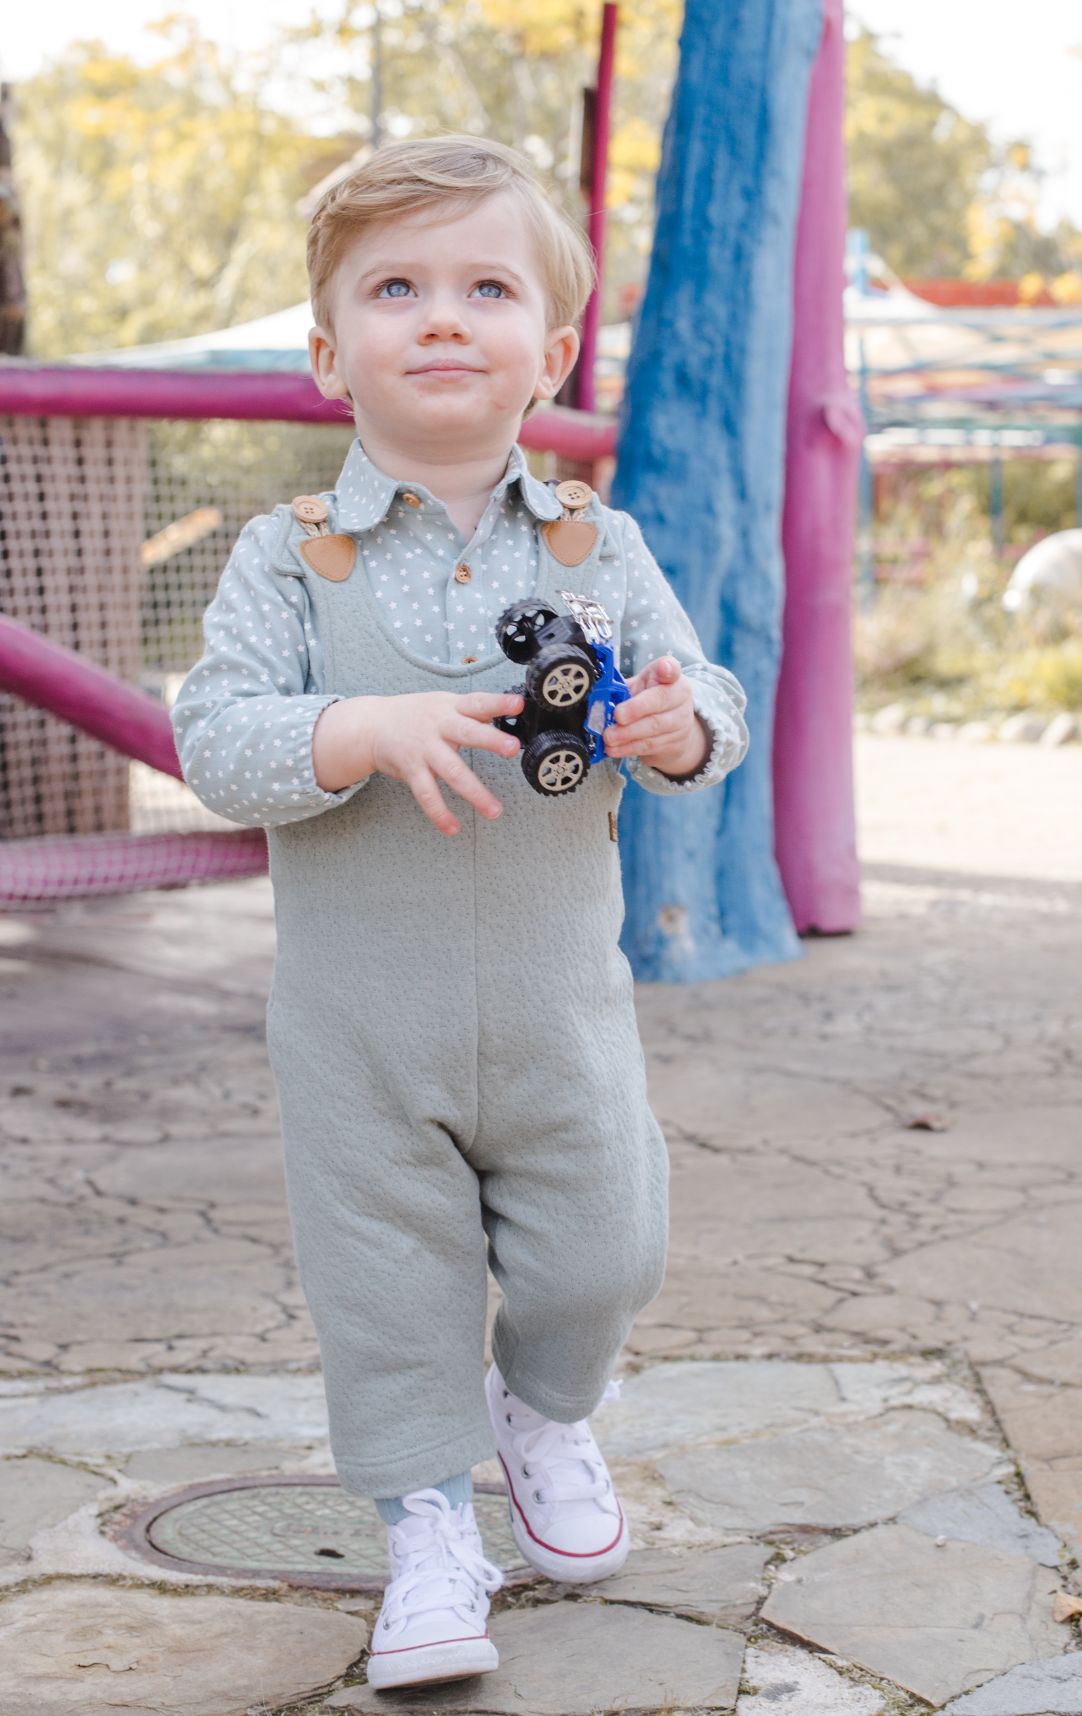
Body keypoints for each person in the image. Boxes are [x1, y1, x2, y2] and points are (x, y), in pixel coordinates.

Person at [171, 134, 747, 1691]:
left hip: (563, 1011)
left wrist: (676, 726)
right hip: (364, 1027)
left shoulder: (599, 546)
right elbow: (211, 736)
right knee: (389, 1286)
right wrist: (356, 730)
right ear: (326, 351)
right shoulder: (289, 561)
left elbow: (717, 708)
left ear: (548, 354)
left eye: (485, 287)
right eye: (395, 289)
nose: (441, 317)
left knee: (604, 1253)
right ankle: (427, 1532)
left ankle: (546, 1407)